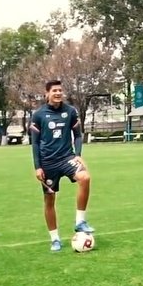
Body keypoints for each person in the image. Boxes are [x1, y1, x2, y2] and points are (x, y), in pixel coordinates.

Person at [30, 79, 94, 252]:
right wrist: (38, 166)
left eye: (60, 90)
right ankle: (55, 239)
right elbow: (35, 143)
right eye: (54, 91)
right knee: (49, 200)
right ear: (47, 94)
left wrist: (78, 155)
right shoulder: (38, 115)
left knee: (85, 177)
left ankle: (80, 221)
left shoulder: (70, 111)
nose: (58, 93)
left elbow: (78, 136)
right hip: (48, 163)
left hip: (67, 158)